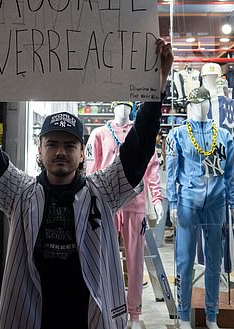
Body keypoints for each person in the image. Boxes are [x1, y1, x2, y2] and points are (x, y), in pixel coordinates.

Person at [0, 39, 173, 329]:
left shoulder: (102, 191)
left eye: (69, 145)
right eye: (52, 144)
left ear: (82, 153)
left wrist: (157, 86)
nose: (60, 152)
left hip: (89, 318)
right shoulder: (20, 193)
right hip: (33, 319)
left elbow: (138, 149)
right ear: (39, 151)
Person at [85, 101, 164, 329]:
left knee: (135, 260)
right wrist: (91, 201)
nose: (123, 106)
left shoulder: (139, 132)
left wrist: (157, 199)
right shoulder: (99, 134)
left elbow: (151, 167)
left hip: (135, 202)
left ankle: (135, 314)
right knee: (103, 258)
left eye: (127, 102)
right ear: (111, 105)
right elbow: (92, 169)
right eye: (118, 102)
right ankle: (105, 306)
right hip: (107, 204)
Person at [166, 87, 234, 329]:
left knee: (214, 262)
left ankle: (211, 315)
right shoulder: (177, 135)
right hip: (188, 202)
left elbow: (230, 174)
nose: (201, 106)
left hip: (216, 203)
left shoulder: (223, 136)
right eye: (196, 103)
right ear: (188, 105)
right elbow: (171, 172)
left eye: (205, 102)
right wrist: (173, 203)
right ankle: (184, 315)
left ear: (210, 103)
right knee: (185, 261)